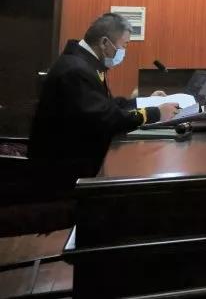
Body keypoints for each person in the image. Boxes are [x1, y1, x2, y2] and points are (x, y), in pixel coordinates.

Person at [28, 13, 180, 190]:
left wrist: (145, 102)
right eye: (124, 45)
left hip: (74, 157)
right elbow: (106, 118)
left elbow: (106, 105)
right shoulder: (76, 70)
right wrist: (156, 113)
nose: (124, 51)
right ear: (104, 43)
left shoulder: (82, 62)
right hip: (65, 171)